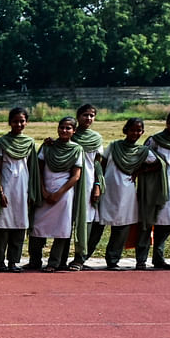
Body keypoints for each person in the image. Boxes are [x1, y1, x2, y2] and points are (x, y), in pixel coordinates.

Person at [101, 118, 158, 269]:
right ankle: (83, 257)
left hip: (126, 191)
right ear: (125, 130)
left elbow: (158, 164)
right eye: (132, 130)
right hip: (108, 189)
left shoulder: (143, 151)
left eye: (139, 130)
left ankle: (112, 260)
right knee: (98, 224)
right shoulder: (114, 146)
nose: (135, 133)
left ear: (142, 132)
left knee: (122, 226)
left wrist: (138, 171)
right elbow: (102, 163)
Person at [30, 117, 84, 272]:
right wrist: (43, 190)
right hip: (45, 191)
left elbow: (76, 176)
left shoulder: (76, 149)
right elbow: (38, 170)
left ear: (74, 131)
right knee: (37, 228)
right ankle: (35, 260)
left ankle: (54, 262)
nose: (64, 131)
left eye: (68, 128)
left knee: (61, 229)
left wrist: (58, 194)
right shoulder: (47, 147)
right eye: (62, 127)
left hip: (64, 193)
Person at [139, 109, 170, 270]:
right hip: (154, 184)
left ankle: (159, 258)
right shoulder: (155, 140)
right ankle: (141, 259)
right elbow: (144, 158)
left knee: (167, 221)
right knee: (149, 219)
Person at [0, 107, 39, 272]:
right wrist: (0, 191)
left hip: (23, 188)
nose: (18, 124)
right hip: (6, 187)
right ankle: (0, 261)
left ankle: (13, 261)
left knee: (19, 227)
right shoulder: (1, 142)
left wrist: (32, 192)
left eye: (22, 121)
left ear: (26, 122)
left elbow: (33, 169)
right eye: (15, 121)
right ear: (9, 122)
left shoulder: (29, 143)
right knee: (3, 227)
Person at [68, 104, 105, 270]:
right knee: (66, 220)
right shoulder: (70, 134)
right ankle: (59, 257)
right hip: (68, 184)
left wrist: (97, 185)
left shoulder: (96, 139)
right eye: (85, 115)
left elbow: (98, 164)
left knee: (88, 220)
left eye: (91, 115)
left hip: (89, 183)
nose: (88, 118)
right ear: (78, 116)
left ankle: (80, 257)